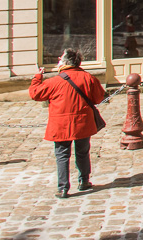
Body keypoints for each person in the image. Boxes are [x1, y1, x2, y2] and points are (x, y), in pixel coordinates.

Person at [29, 49, 105, 199]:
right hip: (82, 122)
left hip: (61, 124)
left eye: (60, 59)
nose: (58, 60)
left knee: (62, 155)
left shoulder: (54, 81)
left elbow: (35, 93)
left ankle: (63, 188)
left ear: (65, 62)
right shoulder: (88, 78)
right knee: (83, 152)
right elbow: (98, 98)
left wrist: (37, 77)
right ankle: (84, 180)